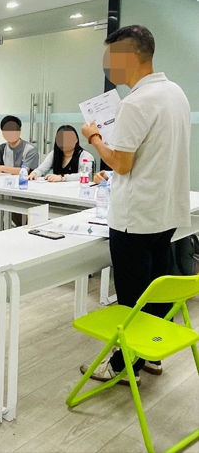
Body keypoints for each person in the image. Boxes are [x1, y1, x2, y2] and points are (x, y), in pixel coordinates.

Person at [79, 25, 191, 383]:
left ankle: (123, 366)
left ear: (131, 57)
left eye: (111, 59)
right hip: (165, 211)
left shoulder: (135, 102)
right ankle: (150, 356)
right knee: (155, 288)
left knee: (131, 297)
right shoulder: (175, 93)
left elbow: (122, 164)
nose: (108, 67)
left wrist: (95, 137)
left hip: (135, 216)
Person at [28, 125, 94, 182]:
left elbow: (85, 175)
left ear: (76, 140)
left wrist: (62, 178)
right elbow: (41, 169)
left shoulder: (86, 156)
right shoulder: (54, 153)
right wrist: (34, 173)